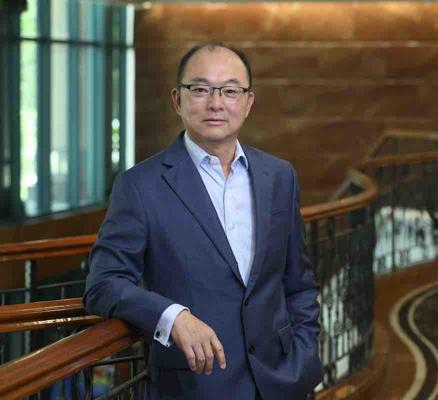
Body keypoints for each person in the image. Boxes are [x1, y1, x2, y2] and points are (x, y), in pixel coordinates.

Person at [83, 42, 323, 400]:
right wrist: (172, 317)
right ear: (177, 100)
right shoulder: (139, 186)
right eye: (200, 89)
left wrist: (303, 358)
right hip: (195, 386)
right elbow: (103, 283)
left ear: (248, 102)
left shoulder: (279, 176)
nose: (215, 103)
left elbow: (298, 283)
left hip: (281, 382)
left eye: (230, 91)